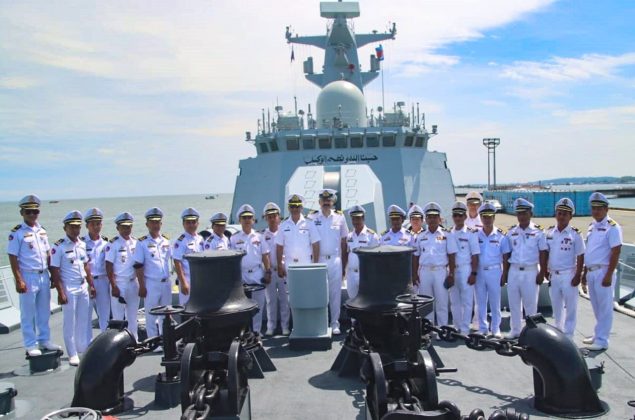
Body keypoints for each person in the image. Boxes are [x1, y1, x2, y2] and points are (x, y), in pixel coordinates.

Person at [7, 194, 62, 356]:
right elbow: (12, 256)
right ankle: (30, 344)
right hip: (28, 276)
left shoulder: (41, 231)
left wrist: (53, 275)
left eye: (35, 211)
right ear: (22, 213)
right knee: (28, 313)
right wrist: (19, 279)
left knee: (44, 310)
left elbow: (47, 253)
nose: (32, 214)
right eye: (28, 211)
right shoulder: (17, 233)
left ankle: (44, 340)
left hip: (43, 275)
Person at [50, 211, 95, 366]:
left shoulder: (82, 244)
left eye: (77, 227)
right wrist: (60, 292)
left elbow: (86, 265)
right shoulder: (59, 247)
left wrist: (91, 284)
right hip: (68, 287)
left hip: (82, 286)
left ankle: (81, 347)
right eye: (72, 227)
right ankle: (72, 353)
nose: (75, 230)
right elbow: (54, 270)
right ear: (65, 228)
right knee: (70, 321)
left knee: (83, 319)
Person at [582, 192, 622, 351]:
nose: (596, 211)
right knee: (597, 306)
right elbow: (590, 251)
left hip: (604, 271)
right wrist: (585, 273)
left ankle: (602, 340)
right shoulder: (592, 226)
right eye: (593, 208)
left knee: (605, 308)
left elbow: (616, 251)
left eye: (599, 209)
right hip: (592, 271)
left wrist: (608, 275)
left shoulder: (612, 227)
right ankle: (598, 334)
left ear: (606, 209)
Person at [502, 198, 548, 339]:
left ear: (530, 213)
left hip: (530, 271)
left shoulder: (539, 232)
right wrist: (505, 273)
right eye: (519, 213)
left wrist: (542, 273)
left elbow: (543, 253)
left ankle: (532, 333)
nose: (521, 216)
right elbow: (507, 254)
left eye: (524, 213)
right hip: (514, 271)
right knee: (514, 304)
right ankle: (515, 330)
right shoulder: (511, 232)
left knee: (530, 305)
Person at [275, 194, 321, 332]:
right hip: (290, 266)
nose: (295, 209)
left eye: (297, 206)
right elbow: (279, 246)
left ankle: (307, 326)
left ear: (301, 207)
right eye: (292, 206)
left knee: (307, 295)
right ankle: (296, 326)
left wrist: (315, 265)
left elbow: (316, 244)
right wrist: (279, 265)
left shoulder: (309, 223)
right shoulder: (283, 225)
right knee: (292, 298)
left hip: (306, 265)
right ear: (289, 208)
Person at [309, 189, 349, 335]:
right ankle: (322, 322)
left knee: (335, 294)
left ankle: (335, 323)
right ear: (319, 202)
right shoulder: (312, 218)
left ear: (332, 202)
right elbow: (310, 242)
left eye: (328, 200)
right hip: (319, 260)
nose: (326, 203)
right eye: (323, 201)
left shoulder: (340, 218)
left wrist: (344, 265)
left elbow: (344, 242)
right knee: (320, 294)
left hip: (335, 260)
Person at [412, 202, 458, 328]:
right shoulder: (420, 236)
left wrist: (451, 274)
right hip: (424, 272)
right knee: (426, 303)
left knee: (442, 301)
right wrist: (414, 275)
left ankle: (442, 328)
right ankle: (428, 329)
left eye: (434, 217)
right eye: (429, 217)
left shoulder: (447, 235)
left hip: (440, 272)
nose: (432, 219)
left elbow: (451, 256)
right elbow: (415, 257)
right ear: (425, 219)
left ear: (439, 218)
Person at [545, 198, 585, 339]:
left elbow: (580, 255)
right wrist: (545, 270)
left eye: (565, 214)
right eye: (559, 213)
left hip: (569, 275)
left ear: (570, 216)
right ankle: (558, 329)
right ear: (556, 214)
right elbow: (546, 253)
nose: (561, 216)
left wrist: (578, 275)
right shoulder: (549, 233)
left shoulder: (575, 234)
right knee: (556, 306)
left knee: (570, 307)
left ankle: (569, 334)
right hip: (554, 275)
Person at [231, 204, 272, 333]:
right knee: (242, 307)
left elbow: (265, 256)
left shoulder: (259, 237)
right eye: (244, 218)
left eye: (249, 217)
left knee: (258, 305)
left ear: (253, 220)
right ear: (240, 220)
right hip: (241, 276)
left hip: (257, 273)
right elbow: (232, 260)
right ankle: (244, 333)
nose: (247, 220)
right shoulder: (234, 238)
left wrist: (268, 272)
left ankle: (256, 332)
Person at [134, 208, 171, 345]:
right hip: (151, 283)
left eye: (158, 222)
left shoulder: (166, 241)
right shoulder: (142, 243)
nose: (155, 225)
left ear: (161, 224)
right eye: (152, 222)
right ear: (147, 224)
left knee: (166, 314)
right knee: (151, 314)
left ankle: (164, 340)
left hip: (166, 282)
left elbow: (169, 261)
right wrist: (142, 286)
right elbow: (138, 266)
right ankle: (153, 342)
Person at [475, 202, 510, 337]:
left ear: (494, 217)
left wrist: (504, 274)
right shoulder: (476, 235)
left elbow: (506, 257)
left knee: (495, 301)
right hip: (479, 271)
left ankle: (496, 328)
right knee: (481, 301)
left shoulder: (501, 236)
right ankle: (483, 328)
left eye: (489, 217)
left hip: (495, 271)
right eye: (484, 217)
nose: (487, 219)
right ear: (481, 218)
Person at [105, 212, 140, 339]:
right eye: (124, 227)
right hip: (119, 283)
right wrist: (113, 285)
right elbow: (108, 266)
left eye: (129, 226)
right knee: (118, 317)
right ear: (117, 228)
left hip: (133, 282)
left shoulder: (137, 242)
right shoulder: (112, 244)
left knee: (133, 315)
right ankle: (118, 343)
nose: (127, 229)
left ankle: (134, 341)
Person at [448, 202, 480, 335]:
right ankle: (457, 326)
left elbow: (475, 255)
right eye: (455, 216)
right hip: (452, 270)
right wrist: (450, 273)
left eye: (460, 216)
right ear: (453, 217)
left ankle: (465, 328)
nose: (458, 218)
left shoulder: (471, 233)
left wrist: (473, 273)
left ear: (464, 217)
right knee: (454, 301)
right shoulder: (449, 233)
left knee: (467, 301)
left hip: (466, 269)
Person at [262, 202, 290, 336]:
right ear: (265, 218)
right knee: (270, 300)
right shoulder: (262, 235)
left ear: (279, 217)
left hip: (283, 271)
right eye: (269, 216)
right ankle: (271, 326)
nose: (272, 219)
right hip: (270, 271)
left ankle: (285, 326)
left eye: (274, 216)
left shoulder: (285, 232)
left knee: (285, 300)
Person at [82, 207, 109, 339]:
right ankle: (87, 343)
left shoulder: (106, 243)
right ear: (87, 225)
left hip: (103, 280)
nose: (96, 226)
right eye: (93, 224)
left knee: (104, 313)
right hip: (88, 281)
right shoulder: (81, 243)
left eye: (98, 223)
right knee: (86, 315)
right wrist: (88, 283)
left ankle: (104, 340)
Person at [344, 205, 379, 300]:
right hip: (351, 274)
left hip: (365, 274)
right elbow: (347, 254)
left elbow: (376, 258)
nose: (356, 222)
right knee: (352, 300)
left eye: (358, 219)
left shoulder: (371, 236)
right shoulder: (349, 236)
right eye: (353, 219)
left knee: (366, 301)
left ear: (363, 218)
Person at [172, 208, 205, 305]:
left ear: (197, 223)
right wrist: (183, 283)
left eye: (193, 222)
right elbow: (177, 262)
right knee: (187, 309)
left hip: (200, 281)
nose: (191, 225)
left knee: (200, 307)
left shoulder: (200, 239)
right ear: (183, 224)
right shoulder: (181, 241)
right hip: (188, 281)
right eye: (188, 222)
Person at [465, 191, 483, 330]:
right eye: (470, 204)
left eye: (475, 204)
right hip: (465, 262)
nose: (473, 207)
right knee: (466, 294)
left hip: (481, 261)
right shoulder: (462, 220)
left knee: (479, 295)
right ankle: (464, 322)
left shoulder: (483, 221)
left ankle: (477, 322)